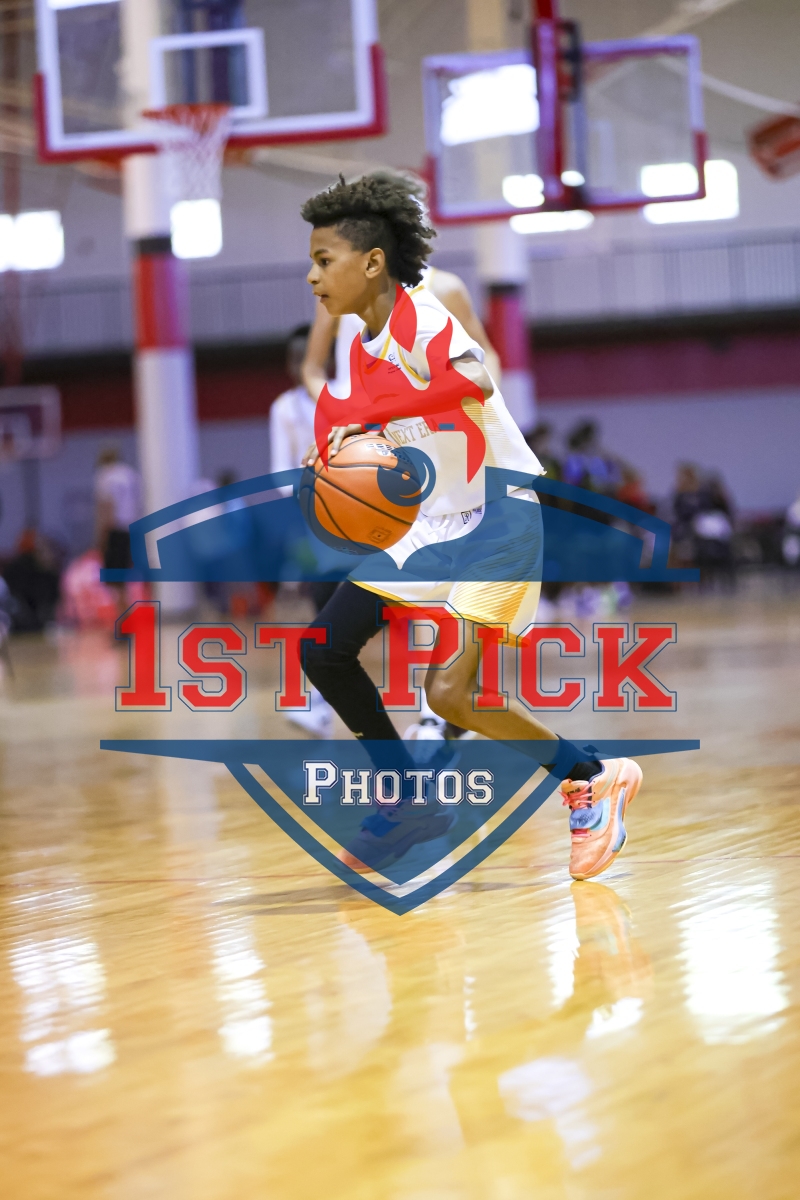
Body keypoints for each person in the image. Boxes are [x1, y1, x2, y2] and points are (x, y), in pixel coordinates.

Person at [298, 172, 642, 882]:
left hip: (496, 518)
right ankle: (407, 798)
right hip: (432, 520)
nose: (312, 277)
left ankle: (591, 777)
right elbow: (385, 427)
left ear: (373, 262)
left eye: (324, 260)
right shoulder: (363, 345)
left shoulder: (424, 319)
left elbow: (475, 380)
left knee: (451, 695)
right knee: (324, 650)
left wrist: (371, 417)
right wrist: (342, 448)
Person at [269, 324, 336, 737]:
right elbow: (281, 472)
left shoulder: (347, 394)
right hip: (315, 521)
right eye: (295, 359)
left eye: (308, 355)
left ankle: (440, 704)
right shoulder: (284, 408)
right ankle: (320, 699)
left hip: (365, 519)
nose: (301, 365)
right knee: (326, 609)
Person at [94, 447, 142, 616]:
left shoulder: (106, 475)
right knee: (125, 578)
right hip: (132, 530)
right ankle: (127, 616)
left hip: (115, 530)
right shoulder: (131, 475)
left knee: (115, 580)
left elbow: (107, 506)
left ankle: (124, 618)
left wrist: (102, 535)